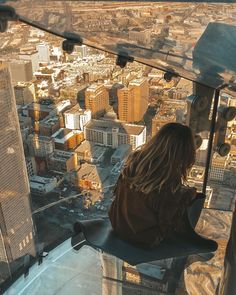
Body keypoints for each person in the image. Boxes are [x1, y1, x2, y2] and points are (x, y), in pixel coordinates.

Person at [109, 122, 198, 248]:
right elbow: (167, 224)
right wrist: (187, 196)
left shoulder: (135, 162)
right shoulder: (168, 183)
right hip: (145, 240)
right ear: (185, 153)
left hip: (118, 227)